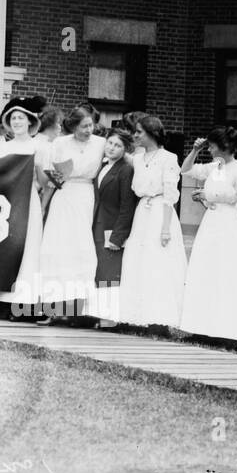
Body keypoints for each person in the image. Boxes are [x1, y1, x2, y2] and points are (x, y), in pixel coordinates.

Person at [178, 127, 237, 341]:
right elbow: (186, 170)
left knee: (226, 276)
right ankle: (202, 328)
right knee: (206, 273)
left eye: (212, 146)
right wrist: (195, 151)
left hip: (229, 228)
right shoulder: (217, 167)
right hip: (210, 226)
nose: (209, 149)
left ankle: (228, 333)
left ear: (225, 147)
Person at [34, 104, 105, 323]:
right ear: (73, 125)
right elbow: (53, 178)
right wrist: (45, 204)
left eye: (91, 125)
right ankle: (50, 307)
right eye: (83, 126)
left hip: (86, 197)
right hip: (64, 196)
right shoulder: (60, 143)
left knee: (81, 249)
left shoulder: (101, 143)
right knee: (56, 248)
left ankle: (79, 310)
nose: (88, 130)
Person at [118, 115, 188, 330]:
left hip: (160, 213)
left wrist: (166, 228)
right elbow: (119, 149)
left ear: (152, 133)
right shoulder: (138, 159)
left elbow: (169, 194)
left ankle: (160, 320)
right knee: (138, 261)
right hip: (143, 213)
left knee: (158, 263)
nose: (135, 135)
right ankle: (135, 317)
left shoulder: (168, 158)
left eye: (139, 132)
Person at [0, 97, 48, 319]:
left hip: (28, 200)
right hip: (8, 201)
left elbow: (45, 182)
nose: (17, 122)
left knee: (29, 249)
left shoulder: (39, 146)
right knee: (10, 249)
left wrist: (37, 169)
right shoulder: (4, 147)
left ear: (29, 122)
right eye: (13, 118)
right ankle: (8, 302)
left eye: (21, 118)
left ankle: (26, 303)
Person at [86, 126, 137, 327]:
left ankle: (109, 319)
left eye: (118, 146)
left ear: (125, 149)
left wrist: (118, 236)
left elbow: (127, 205)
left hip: (112, 227)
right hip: (97, 224)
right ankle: (98, 314)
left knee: (109, 272)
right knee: (99, 271)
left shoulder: (126, 170)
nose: (112, 148)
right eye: (110, 143)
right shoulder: (103, 165)